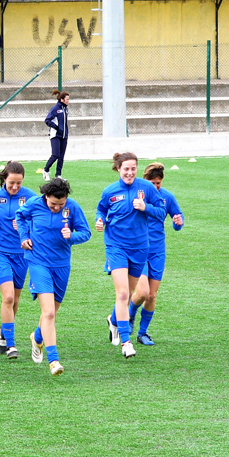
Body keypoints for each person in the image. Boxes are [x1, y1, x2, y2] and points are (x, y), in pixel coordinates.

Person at [15, 178, 91, 376]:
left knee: (52, 313)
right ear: (45, 197)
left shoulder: (73, 208)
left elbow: (86, 232)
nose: (56, 208)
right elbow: (20, 217)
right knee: (48, 312)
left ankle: (37, 337)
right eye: (52, 204)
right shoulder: (33, 204)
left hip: (62, 265)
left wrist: (72, 236)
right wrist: (24, 238)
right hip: (38, 263)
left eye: (60, 205)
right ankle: (54, 361)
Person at [96, 152, 166, 359]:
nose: (130, 172)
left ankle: (115, 321)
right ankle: (126, 342)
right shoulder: (110, 191)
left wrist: (147, 208)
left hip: (140, 248)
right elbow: (101, 210)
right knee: (123, 293)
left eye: (133, 168)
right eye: (126, 168)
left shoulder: (146, 188)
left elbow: (161, 212)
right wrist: (100, 220)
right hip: (116, 246)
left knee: (134, 292)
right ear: (118, 169)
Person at [0, 161, 36, 359]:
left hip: (22, 253)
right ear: (4, 179)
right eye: (11, 183)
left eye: (18, 184)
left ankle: (4, 333)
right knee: (8, 297)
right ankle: (11, 345)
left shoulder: (30, 197)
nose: (15, 187)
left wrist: (25, 225)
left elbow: (37, 219)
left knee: (16, 298)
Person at [128, 162, 184, 346]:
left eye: (158, 183)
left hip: (158, 251)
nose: (155, 187)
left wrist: (178, 222)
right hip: (139, 249)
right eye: (152, 183)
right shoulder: (135, 196)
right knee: (142, 292)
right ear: (145, 181)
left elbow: (176, 222)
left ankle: (142, 333)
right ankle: (129, 314)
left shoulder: (167, 197)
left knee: (152, 295)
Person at [43, 90, 70, 181]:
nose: (68, 101)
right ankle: (46, 170)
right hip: (55, 135)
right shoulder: (55, 109)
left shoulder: (65, 109)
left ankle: (58, 175)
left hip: (64, 136)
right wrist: (56, 127)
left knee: (61, 156)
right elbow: (47, 120)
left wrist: (65, 132)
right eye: (67, 99)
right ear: (62, 99)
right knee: (55, 155)